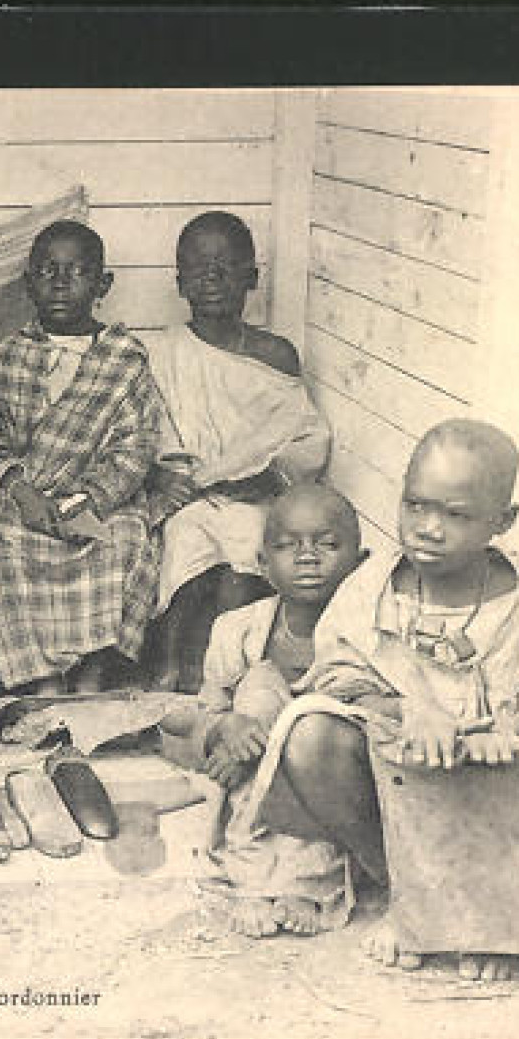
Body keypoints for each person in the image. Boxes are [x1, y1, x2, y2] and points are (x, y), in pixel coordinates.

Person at [248, 420, 519, 981]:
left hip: (504, 786)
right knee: (308, 728)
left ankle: (502, 921)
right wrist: (412, 710)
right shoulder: (371, 586)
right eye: (416, 505)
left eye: (456, 515)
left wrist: (506, 729)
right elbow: (336, 675)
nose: (428, 529)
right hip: (404, 781)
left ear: (504, 522)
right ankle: (418, 898)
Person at [0, 220, 164, 695]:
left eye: (78, 272)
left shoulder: (124, 357)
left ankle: (93, 671)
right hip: (20, 500)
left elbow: (136, 447)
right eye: (48, 271)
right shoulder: (10, 354)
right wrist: (21, 491)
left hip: (92, 504)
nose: (62, 283)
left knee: (130, 537)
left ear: (102, 285)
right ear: (29, 283)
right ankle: (38, 679)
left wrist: (85, 501)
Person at [160, 483, 364, 937]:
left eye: (328, 545)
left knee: (305, 719)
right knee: (255, 690)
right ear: (261, 564)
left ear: (360, 562)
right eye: (287, 546)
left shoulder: (365, 636)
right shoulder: (238, 630)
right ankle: (253, 877)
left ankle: (308, 884)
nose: (307, 557)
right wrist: (224, 730)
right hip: (252, 785)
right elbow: (197, 715)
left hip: (328, 781)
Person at [141, 211, 331, 692]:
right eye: (200, 266)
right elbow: (140, 432)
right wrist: (161, 475)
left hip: (253, 494)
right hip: (187, 495)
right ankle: (171, 670)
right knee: (186, 542)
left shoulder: (274, 354)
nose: (213, 278)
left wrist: (271, 476)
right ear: (180, 281)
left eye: (227, 266)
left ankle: (225, 674)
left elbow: (307, 436)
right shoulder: (159, 352)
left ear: (252, 278)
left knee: (247, 546)